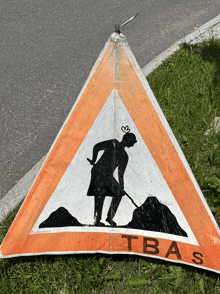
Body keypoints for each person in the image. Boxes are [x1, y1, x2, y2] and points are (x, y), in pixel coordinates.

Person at [87, 131, 137, 227]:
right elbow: (97, 147)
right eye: (133, 142)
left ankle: (109, 217)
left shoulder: (125, 156)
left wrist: (121, 187)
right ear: (128, 140)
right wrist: (93, 160)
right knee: (100, 194)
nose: (133, 145)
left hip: (107, 175)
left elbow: (120, 173)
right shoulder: (113, 143)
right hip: (98, 171)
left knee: (118, 193)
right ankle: (96, 220)